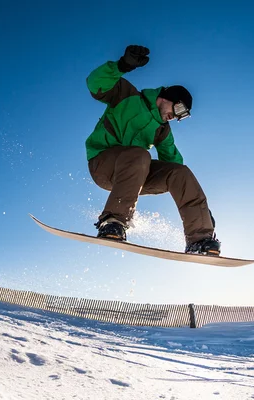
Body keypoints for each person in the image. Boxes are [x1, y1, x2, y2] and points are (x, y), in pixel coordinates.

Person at [85, 45, 221, 256]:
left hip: (133, 175)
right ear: (166, 97)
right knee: (140, 155)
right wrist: (122, 65)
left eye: (181, 116)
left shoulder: (162, 130)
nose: (175, 118)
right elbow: (94, 84)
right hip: (102, 164)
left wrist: (202, 211)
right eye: (178, 110)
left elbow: (175, 165)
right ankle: (112, 221)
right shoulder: (127, 96)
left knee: (180, 173)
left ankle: (199, 239)